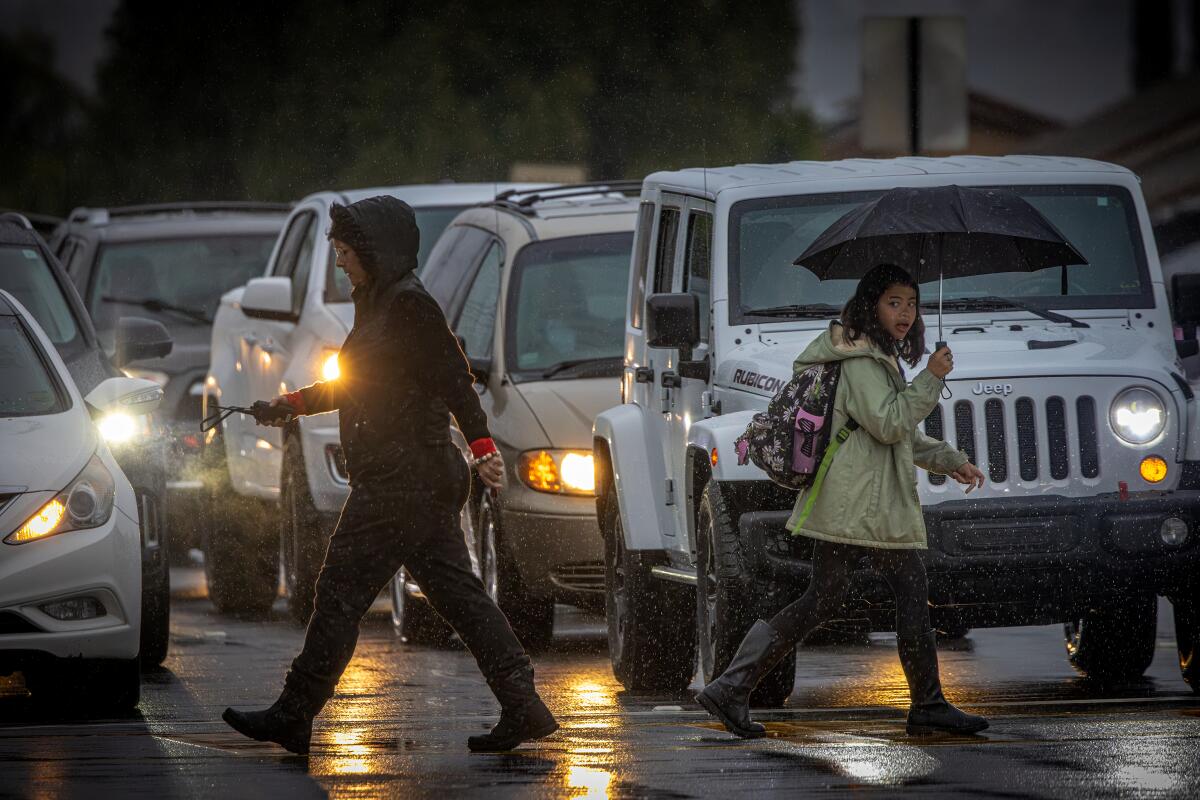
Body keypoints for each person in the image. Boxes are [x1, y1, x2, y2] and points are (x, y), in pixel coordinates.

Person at [222, 196, 557, 756]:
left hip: (403, 480)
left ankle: (294, 712)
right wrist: (291, 404)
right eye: (337, 250)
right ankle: (522, 702)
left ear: (375, 251)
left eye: (345, 251)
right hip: (411, 481)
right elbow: (359, 383)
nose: (339, 262)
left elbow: (455, 379)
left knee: (339, 593)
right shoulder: (374, 303)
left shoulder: (409, 306)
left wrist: (482, 448)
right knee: (459, 596)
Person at [696, 262, 989, 739]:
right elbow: (889, 422)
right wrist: (932, 378)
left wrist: (951, 459)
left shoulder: (876, 356)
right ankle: (928, 704)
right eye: (894, 302)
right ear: (871, 305)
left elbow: (898, 437)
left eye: (911, 304)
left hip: (860, 502)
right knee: (900, 591)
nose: (906, 313)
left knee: (824, 599)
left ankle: (732, 686)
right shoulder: (860, 362)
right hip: (863, 505)